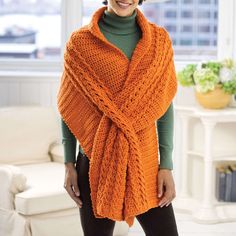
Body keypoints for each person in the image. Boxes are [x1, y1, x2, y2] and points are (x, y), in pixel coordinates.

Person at [57, 0, 179, 235]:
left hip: (144, 161)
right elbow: (68, 107)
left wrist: (166, 165)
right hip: (95, 162)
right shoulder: (80, 44)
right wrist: (68, 164)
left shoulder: (159, 42)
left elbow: (164, 107)